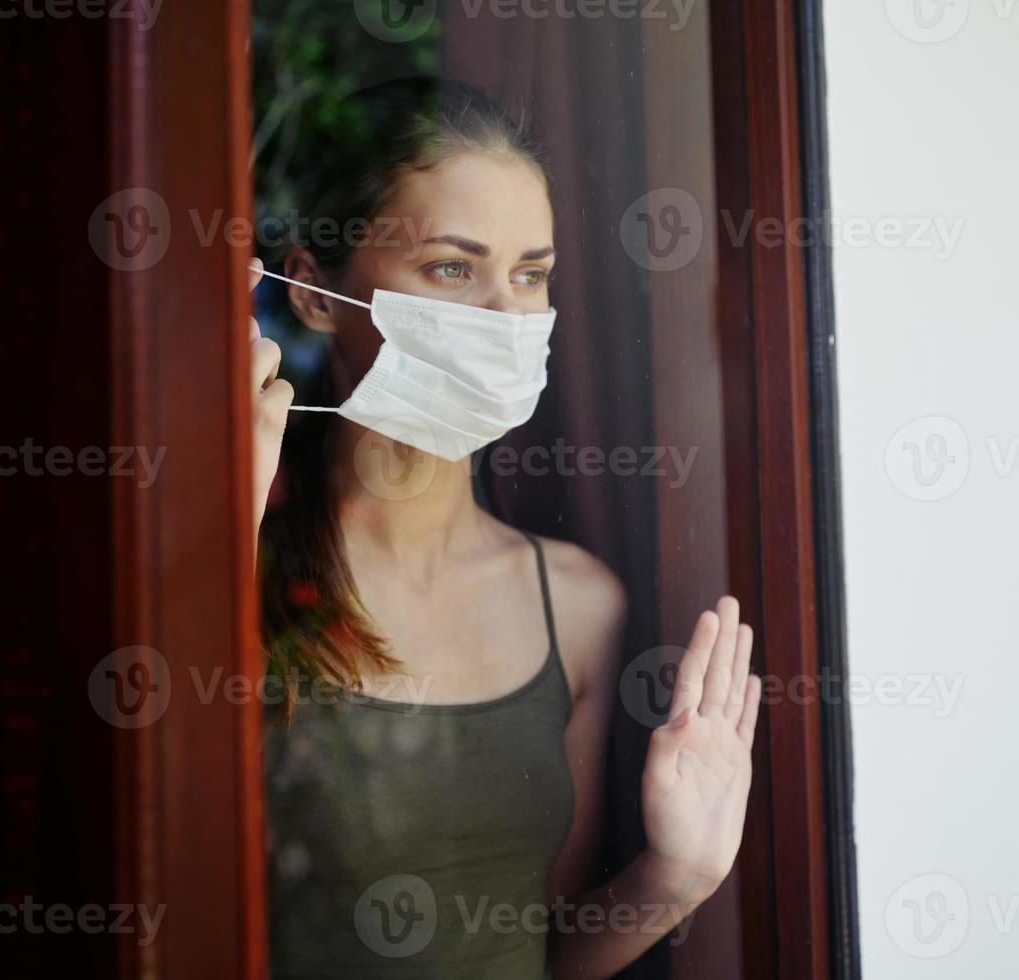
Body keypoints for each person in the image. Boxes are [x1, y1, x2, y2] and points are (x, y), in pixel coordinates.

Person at [248, 77, 761, 978]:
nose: (508, 316)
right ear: (316, 293)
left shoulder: (578, 603)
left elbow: (539, 953)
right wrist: (219, 546)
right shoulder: (240, 566)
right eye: (454, 267)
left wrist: (675, 878)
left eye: (531, 274)